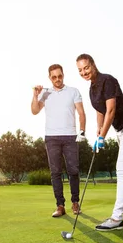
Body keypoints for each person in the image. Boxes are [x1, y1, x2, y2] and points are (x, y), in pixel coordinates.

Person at [76, 53, 123, 231]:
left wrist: (102, 137)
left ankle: (117, 218)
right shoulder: (92, 89)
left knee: (121, 169)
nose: (84, 72)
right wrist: (99, 132)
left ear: (93, 65)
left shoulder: (108, 80)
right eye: (80, 70)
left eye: (86, 67)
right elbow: (100, 112)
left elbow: (111, 110)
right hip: (121, 130)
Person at [32, 64, 87, 217]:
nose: (57, 79)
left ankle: (75, 203)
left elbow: (81, 113)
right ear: (50, 78)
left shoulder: (73, 91)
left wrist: (82, 131)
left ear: (63, 75)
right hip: (51, 138)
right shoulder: (45, 93)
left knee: (73, 171)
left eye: (59, 76)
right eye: (54, 77)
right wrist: (35, 95)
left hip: (70, 136)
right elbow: (34, 111)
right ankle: (60, 206)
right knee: (55, 172)